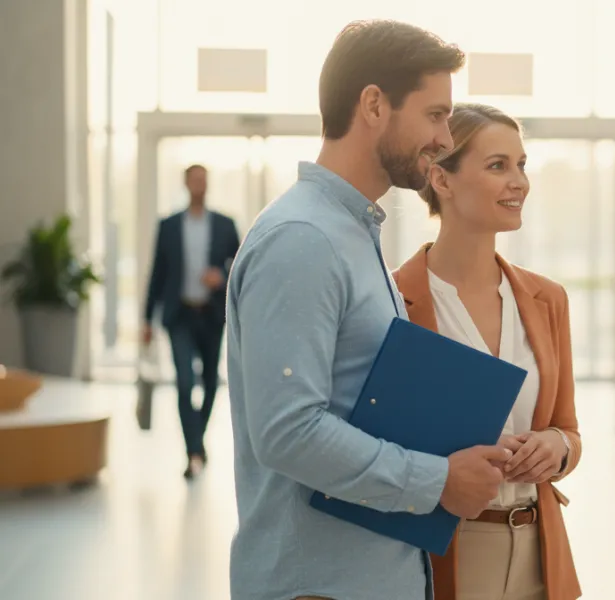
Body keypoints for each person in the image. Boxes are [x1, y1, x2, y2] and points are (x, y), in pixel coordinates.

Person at [223, 21, 512, 600]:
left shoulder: (353, 234)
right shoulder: (303, 239)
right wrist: (438, 481)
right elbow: (287, 432)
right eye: (434, 115)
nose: (443, 139)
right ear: (375, 105)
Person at [392, 102, 582, 600]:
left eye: (521, 165)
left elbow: (569, 429)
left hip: (540, 550)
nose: (519, 181)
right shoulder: (394, 301)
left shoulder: (547, 300)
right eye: (498, 166)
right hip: (448, 550)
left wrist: (557, 449)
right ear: (442, 179)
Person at [142, 164, 240, 479]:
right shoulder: (169, 225)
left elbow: (240, 269)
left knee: (210, 381)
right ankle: (194, 450)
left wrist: (221, 277)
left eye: (203, 179)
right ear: (186, 183)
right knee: (185, 382)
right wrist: (146, 319)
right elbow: (157, 273)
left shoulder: (225, 225)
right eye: (194, 179)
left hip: (211, 315)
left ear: (207, 184)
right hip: (179, 315)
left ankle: (197, 440)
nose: (199, 184)